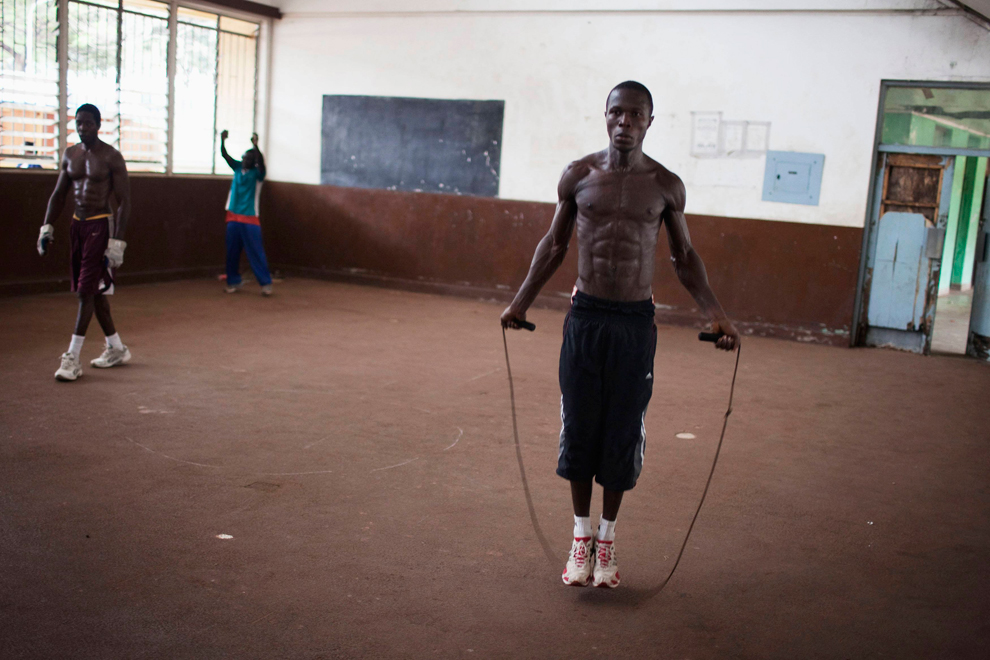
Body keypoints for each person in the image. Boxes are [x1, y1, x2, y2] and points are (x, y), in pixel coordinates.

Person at [500, 81, 740, 588]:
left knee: (623, 430)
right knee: (580, 428)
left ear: (650, 121)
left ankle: (608, 539)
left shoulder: (665, 185)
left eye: (635, 114)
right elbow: (554, 244)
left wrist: (715, 313)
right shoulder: (579, 175)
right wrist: (520, 301)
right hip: (585, 317)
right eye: (617, 112)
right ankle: (581, 537)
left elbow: (684, 257)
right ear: (604, 116)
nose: (625, 122)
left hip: (634, 324)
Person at [38, 103, 132, 382]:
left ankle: (72, 358)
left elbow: (125, 201)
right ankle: (116, 348)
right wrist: (46, 227)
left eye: (88, 123)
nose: (82, 128)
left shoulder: (111, 157)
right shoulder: (70, 155)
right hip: (77, 227)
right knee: (95, 292)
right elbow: (58, 194)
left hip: (100, 226)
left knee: (85, 292)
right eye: (78, 122)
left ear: (98, 124)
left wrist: (117, 242)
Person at [219, 130, 273, 296]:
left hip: (250, 219)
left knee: (256, 252)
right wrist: (222, 141)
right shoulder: (236, 168)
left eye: (248, 159)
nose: (244, 160)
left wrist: (256, 146)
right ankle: (233, 281)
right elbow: (225, 156)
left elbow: (262, 163)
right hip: (233, 217)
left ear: (254, 162)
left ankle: (265, 284)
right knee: (232, 252)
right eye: (243, 157)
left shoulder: (258, 175)